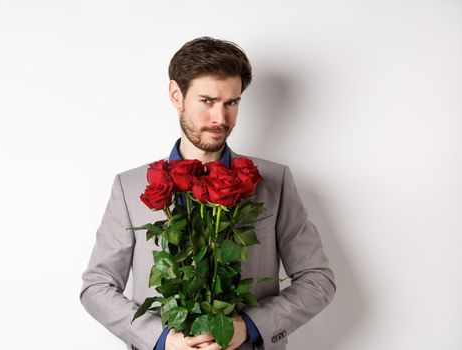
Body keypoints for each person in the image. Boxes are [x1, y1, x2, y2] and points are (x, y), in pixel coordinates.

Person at [80, 36, 336, 350]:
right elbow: (96, 287)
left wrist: (249, 327)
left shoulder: (275, 181)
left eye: (232, 102)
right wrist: (161, 339)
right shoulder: (130, 186)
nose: (221, 118)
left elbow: (317, 279)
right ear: (177, 95)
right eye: (207, 101)